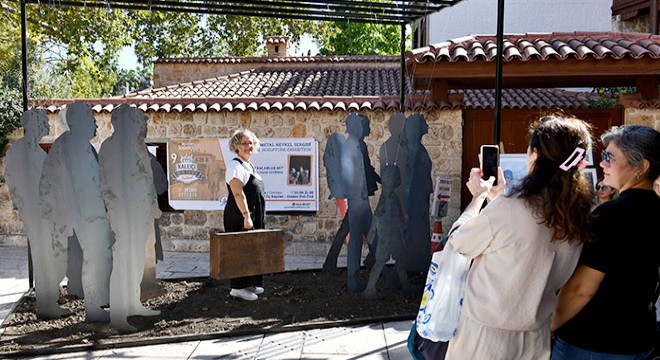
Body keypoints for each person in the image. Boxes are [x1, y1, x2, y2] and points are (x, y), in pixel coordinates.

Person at [443, 115, 594, 359]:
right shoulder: (577, 215)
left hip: (485, 337)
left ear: (535, 154)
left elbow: (459, 242)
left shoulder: (512, 207)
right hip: (535, 337)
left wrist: (478, 198)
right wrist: (497, 197)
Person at [551, 125, 660, 359]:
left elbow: (581, 289)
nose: (602, 164)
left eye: (609, 157)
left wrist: (549, 325)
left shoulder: (611, 215)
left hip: (593, 342)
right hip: (640, 339)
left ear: (641, 167)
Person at [224, 129, 266, 301]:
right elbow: (238, 194)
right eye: (244, 143)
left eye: (250, 143)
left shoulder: (249, 165)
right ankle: (237, 288)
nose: (248, 146)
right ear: (236, 146)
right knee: (240, 251)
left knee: (252, 250)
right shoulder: (235, 166)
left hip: (253, 215)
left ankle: (250, 283)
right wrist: (246, 216)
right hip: (239, 215)